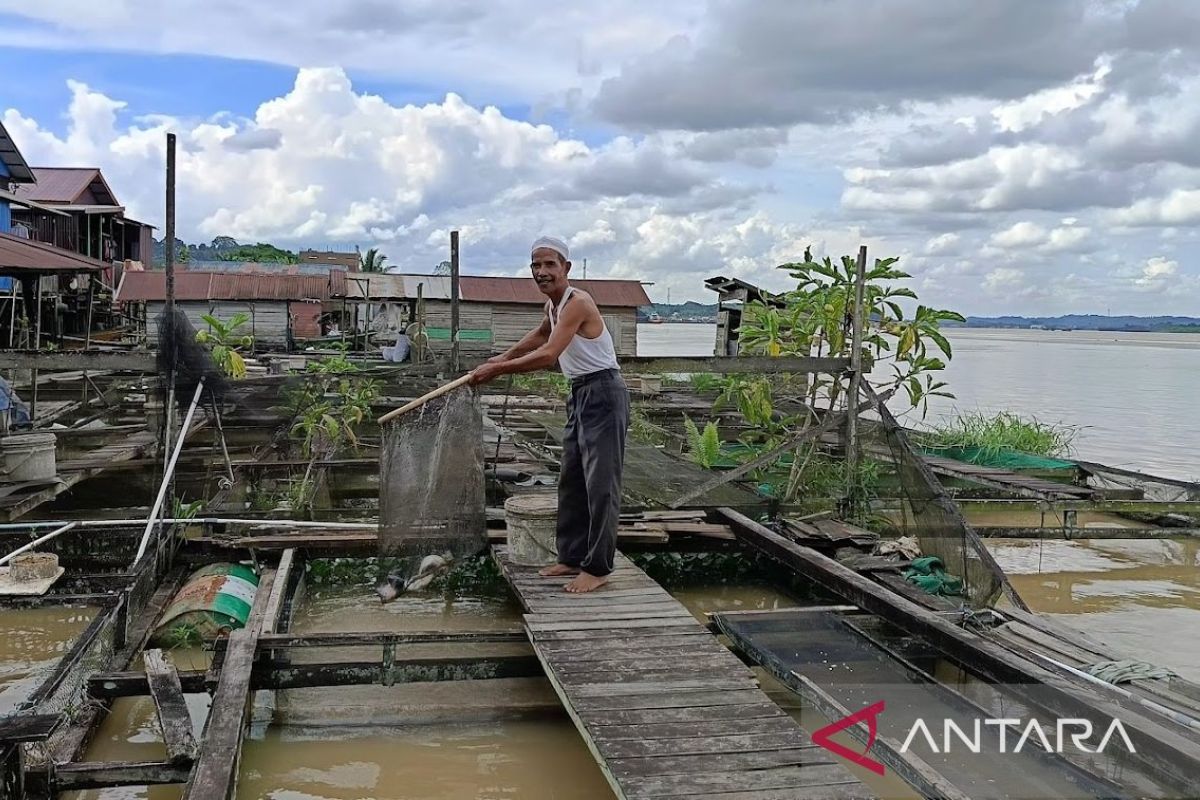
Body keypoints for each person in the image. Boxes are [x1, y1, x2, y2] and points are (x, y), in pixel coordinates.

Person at [469, 235, 629, 593]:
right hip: (580, 392)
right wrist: (501, 358)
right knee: (572, 478)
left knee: (601, 484)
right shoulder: (552, 308)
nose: (541, 272)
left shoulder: (577, 302)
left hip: (604, 392)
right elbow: (540, 335)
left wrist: (497, 371)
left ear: (566, 268)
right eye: (535, 266)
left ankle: (598, 567)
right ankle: (572, 557)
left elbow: (549, 354)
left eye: (549, 265)